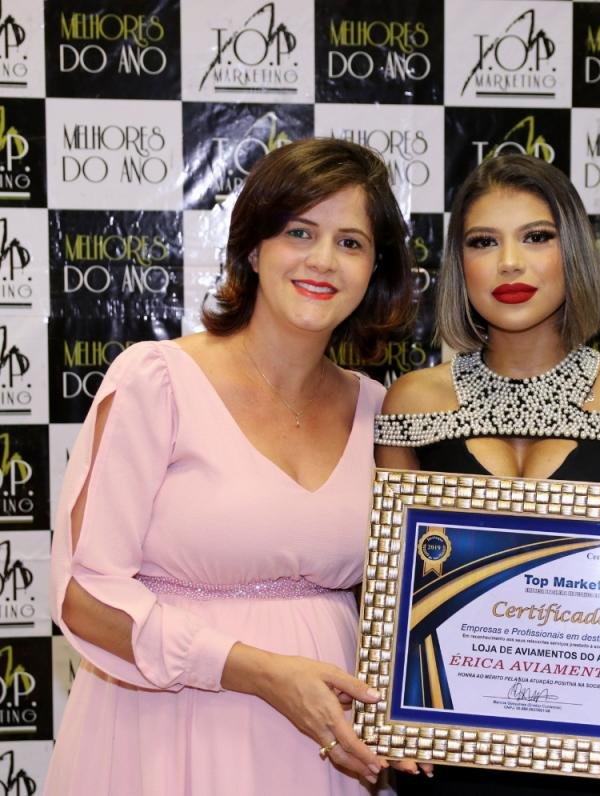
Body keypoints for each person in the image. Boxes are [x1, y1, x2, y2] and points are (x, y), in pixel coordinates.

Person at [46, 138, 421, 795]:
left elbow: (404, 599)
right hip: (171, 733)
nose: (323, 260)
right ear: (253, 248)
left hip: (325, 751)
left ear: (374, 270)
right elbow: (85, 595)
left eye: (351, 242)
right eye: (299, 232)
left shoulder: (380, 410)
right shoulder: (157, 380)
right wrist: (258, 672)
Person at [375, 153, 600, 795]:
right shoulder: (411, 404)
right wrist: (391, 710)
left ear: (570, 252)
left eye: (536, 237)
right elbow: (390, 595)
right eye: (483, 242)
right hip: (450, 759)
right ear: (460, 264)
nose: (509, 263)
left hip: (597, 764)